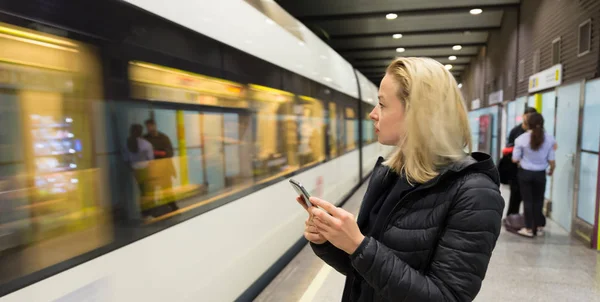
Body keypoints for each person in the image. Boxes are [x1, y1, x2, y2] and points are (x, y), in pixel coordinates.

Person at [296, 57, 504, 301]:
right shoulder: (390, 174)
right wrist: (330, 240)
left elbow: (448, 297)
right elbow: (362, 270)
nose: (373, 114)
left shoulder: (475, 194)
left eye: (382, 105)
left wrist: (358, 246)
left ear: (419, 113)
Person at [512, 113, 555, 237]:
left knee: (528, 201)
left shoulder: (521, 139)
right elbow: (552, 160)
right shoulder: (550, 139)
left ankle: (529, 229)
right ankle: (539, 227)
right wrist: (551, 170)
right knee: (538, 200)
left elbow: (515, 159)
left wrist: (522, 160)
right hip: (540, 174)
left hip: (525, 173)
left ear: (528, 124)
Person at [504, 107, 538, 216]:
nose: (529, 118)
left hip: (531, 169)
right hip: (516, 169)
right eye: (527, 115)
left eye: (532, 116)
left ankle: (529, 222)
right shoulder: (516, 131)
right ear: (523, 116)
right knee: (515, 194)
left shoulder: (538, 133)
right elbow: (508, 149)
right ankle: (511, 217)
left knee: (531, 198)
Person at [144, 119, 178, 212]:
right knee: (151, 191)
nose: (150, 128)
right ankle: (151, 210)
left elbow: (170, 152)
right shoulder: (145, 139)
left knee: (167, 189)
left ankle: (173, 207)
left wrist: (159, 153)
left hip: (164, 169)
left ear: (155, 126)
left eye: (151, 126)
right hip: (151, 170)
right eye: (148, 127)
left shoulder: (163, 138)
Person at [125, 124, 154, 216]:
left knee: (140, 191)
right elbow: (151, 159)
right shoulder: (146, 144)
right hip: (145, 169)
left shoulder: (127, 144)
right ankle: (146, 212)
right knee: (146, 192)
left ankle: (141, 211)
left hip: (133, 169)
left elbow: (126, 159)